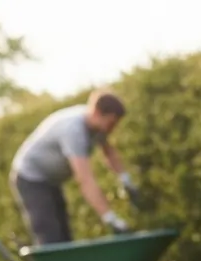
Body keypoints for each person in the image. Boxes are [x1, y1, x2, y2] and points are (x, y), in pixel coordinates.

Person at [9, 90, 139, 245]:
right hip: (29, 178)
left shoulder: (97, 127)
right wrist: (110, 218)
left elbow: (109, 152)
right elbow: (85, 179)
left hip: (51, 181)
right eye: (111, 123)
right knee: (50, 235)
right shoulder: (74, 130)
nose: (112, 129)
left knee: (64, 235)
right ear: (97, 112)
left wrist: (126, 180)